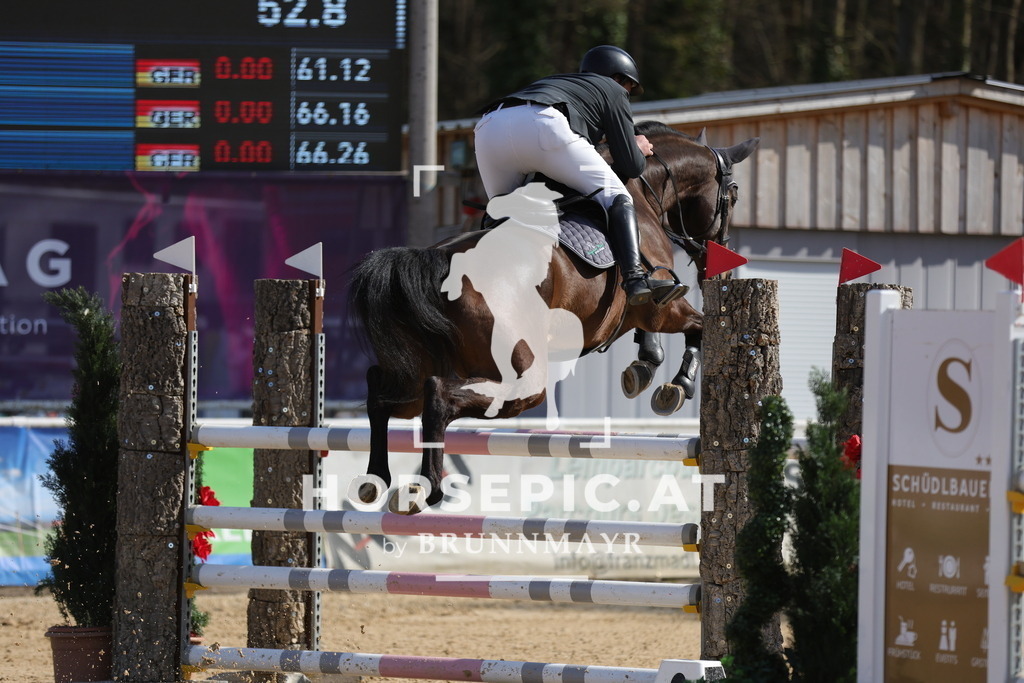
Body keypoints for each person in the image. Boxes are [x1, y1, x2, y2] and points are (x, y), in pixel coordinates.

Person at [473, 45, 657, 305]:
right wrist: (637, 146)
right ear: (618, 78)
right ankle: (635, 279)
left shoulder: (557, 82)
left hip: (489, 127)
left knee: (502, 213)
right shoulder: (613, 89)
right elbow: (631, 166)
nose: (627, 94)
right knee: (617, 197)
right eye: (629, 87)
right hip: (542, 124)